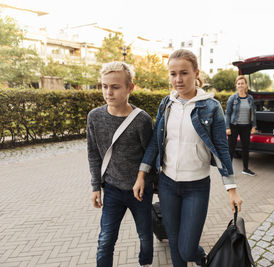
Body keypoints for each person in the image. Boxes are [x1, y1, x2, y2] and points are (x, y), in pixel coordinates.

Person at [133, 49, 242, 267]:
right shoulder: (166, 104)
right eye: (173, 74)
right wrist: (141, 174)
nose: (178, 79)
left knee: (186, 246)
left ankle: (201, 257)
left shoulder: (211, 107)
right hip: (167, 184)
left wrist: (231, 189)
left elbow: (221, 149)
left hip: (197, 187)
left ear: (196, 73)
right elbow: (156, 142)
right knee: (174, 243)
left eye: (184, 73)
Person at [87, 61, 153, 267]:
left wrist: (144, 179)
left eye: (115, 87)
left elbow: (151, 154)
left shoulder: (142, 120)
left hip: (139, 190)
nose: (109, 92)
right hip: (113, 189)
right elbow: (93, 154)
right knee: (105, 240)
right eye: (104, 86)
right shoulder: (95, 117)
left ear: (130, 88)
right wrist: (95, 186)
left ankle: (146, 263)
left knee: (144, 236)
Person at [225, 75, 257, 176]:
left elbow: (253, 113)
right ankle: (228, 171)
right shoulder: (232, 98)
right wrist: (227, 127)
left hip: (246, 126)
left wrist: (253, 126)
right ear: (236, 86)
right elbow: (228, 113)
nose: (240, 85)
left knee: (246, 148)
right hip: (234, 126)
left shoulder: (250, 98)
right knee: (231, 149)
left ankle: (246, 169)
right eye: (238, 84)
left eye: (242, 83)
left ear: (246, 85)